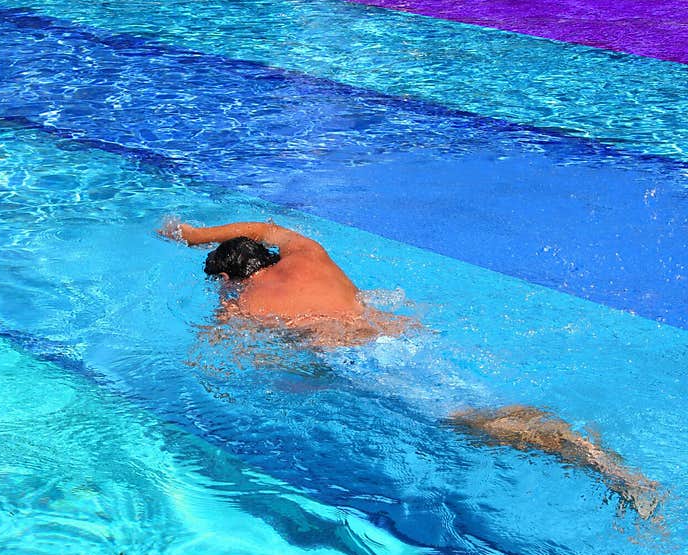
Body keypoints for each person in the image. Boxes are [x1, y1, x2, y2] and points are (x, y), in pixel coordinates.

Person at [158, 218, 662, 520]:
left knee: (471, 420)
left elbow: (217, 361)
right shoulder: (308, 254)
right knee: (473, 401)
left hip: (365, 362)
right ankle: (586, 448)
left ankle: (601, 463)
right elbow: (265, 227)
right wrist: (195, 234)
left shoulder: (242, 303)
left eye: (222, 283)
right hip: (397, 335)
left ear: (228, 276)